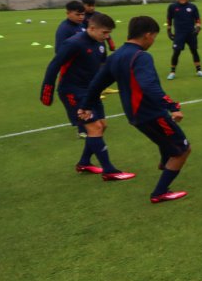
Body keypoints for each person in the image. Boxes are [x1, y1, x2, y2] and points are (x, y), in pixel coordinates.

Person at [79, 15, 190, 204]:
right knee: (182, 150)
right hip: (151, 113)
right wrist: (172, 106)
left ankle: (165, 162)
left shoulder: (116, 56)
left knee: (167, 141)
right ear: (147, 35)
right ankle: (160, 192)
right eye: (154, 37)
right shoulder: (141, 56)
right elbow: (149, 86)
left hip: (134, 115)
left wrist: (85, 106)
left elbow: (96, 84)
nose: (153, 41)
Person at [40, 13, 135, 181]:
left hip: (90, 91)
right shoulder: (73, 43)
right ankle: (109, 171)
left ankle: (84, 163)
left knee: (102, 126)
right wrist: (47, 90)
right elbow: (54, 65)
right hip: (72, 91)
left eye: (109, 34)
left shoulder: (99, 44)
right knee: (94, 128)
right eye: (104, 33)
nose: (107, 37)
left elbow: (103, 66)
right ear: (91, 28)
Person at [166, 0, 202, 79]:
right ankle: (172, 72)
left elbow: (198, 19)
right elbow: (169, 20)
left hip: (191, 33)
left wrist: (198, 28)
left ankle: (199, 70)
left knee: (194, 51)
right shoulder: (172, 7)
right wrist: (169, 31)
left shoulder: (193, 7)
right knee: (176, 52)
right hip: (179, 34)